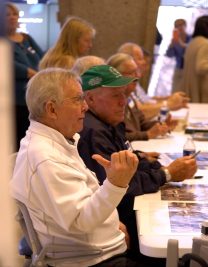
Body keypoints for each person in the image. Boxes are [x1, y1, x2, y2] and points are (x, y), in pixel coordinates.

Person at [9, 68, 148, 267]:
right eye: (77, 99)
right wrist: (116, 184)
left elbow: (80, 203)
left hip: (99, 250)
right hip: (89, 260)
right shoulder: (45, 157)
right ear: (51, 109)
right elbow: (80, 220)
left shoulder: (58, 141)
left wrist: (111, 224)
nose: (85, 107)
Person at [77, 65, 197, 265]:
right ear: (89, 99)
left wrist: (156, 168)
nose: (124, 102)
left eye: (123, 94)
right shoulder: (94, 132)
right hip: (121, 223)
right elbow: (124, 185)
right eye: (116, 95)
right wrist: (167, 174)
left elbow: (128, 163)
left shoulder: (107, 122)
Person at [107, 52, 177, 141]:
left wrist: (161, 125)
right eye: (132, 73)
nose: (138, 76)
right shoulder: (111, 102)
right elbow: (117, 137)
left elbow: (142, 123)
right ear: (117, 75)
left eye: (137, 71)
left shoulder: (130, 97)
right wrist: (147, 134)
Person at [6, 3, 44, 150]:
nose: (11, 17)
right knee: (18, 139)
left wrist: (42, 73)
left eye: (14, 14)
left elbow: (42, 57)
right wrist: (32, 73)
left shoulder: (26, 37)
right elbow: (10, 65)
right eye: (7, 15)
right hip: (16, 98)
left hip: (35, 95)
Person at [118, 42, 189, 119]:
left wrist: (168, 100)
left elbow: (145, 102)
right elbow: (138, 112)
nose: (144, 62)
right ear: (127, 61)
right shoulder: (121, 83)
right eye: (140, 58)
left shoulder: (132, 81)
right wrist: (168, 104)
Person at [180, 15, 208, 103]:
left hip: (192, 90)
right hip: (203, 92)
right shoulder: (204, 44)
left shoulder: (193, 43)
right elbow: (200, 67)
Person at [166, 18, 191, 92]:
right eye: (176, 26)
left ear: (185, 26)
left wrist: (180, 43)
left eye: (181, 25)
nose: (179, 28)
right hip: (178, 68)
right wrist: (172, 45)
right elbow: (169, 55)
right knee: (175, 90)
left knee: (187, 91)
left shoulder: (191, 38)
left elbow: (191, 50)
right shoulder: (175, 40)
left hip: (189, 69)